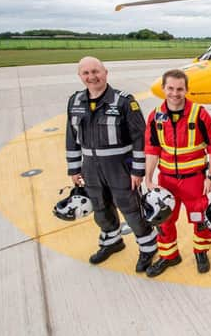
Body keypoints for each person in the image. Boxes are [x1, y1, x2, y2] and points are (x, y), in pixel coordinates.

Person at [65, 56, 157, 272]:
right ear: (80, 76)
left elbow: (139, 138)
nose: (91, 77)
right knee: (100, 208)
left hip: (119, 167)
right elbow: (71, 136)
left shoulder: (124, 101)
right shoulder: (75, 101)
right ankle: (111, 242)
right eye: (86, 73)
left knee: (131, 209)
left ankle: (148, 247)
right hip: (90, 167)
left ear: (105, 72)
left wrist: (137, 170)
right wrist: (74, 167)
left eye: (95, 72)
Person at [143, 69, 211, 277]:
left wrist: (210, 176)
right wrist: (148, 178)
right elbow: (152, 149)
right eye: (171, 88)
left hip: (194, 181)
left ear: (187, 90)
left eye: (180, 89)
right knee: (164, 220)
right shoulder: (155, 116)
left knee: (199, 219)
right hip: (166, 181)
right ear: (164, 89)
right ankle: (169, 256)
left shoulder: (199, 114)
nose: (175, 93)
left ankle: (201, 252)